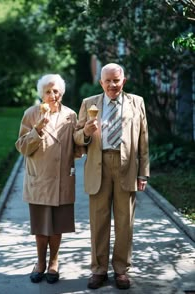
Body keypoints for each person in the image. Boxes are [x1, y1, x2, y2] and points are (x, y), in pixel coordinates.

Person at [74, 63, 150, 290]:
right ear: (101, 82)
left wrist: (143, 173)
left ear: (123, 81)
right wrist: (86, 132)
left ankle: (121, 271)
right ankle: (98, 270)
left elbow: (143, 140)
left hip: (126, 165)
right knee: (99, 222)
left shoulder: (137, 102)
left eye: (116, 80)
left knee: (125, 222)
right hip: (99, 165)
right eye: (107, 81)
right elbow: (76, 137)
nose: (112, 85)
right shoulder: (89, 104)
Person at [15, 74, 82, 284]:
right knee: (41, 227)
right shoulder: (31, 114)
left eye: (55, 91)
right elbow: (22, 147)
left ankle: (54, 261)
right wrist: (38, 128)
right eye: (47, 91)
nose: (52, 95)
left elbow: (78, 149)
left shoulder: (71, 115)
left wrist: (86, 136)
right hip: (40, 180)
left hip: (62, 179)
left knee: (58, 226)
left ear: (61, 92)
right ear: (41, 94)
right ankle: (40, 262)